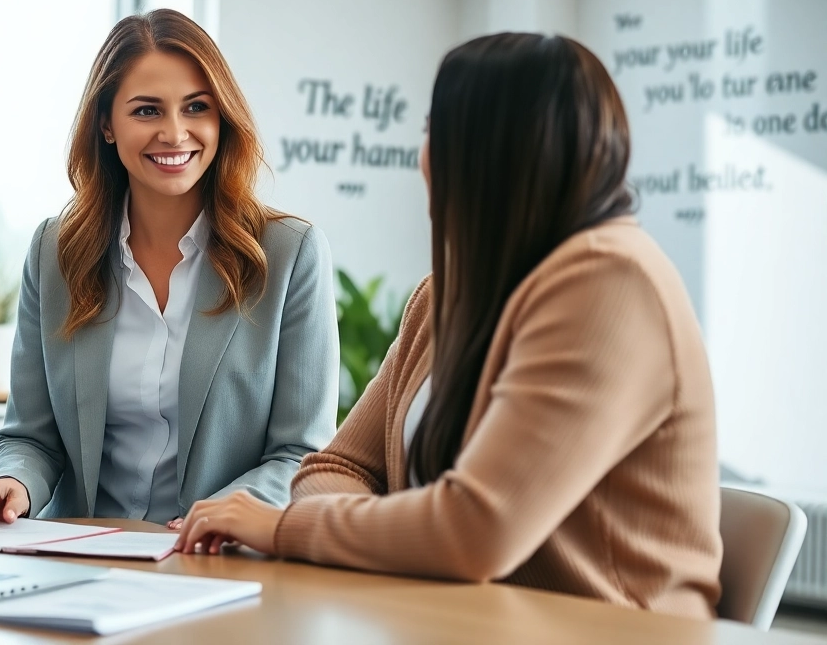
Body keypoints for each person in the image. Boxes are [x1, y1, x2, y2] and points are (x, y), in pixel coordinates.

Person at [175, 33, 722, 619]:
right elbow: (337, 468)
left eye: (434, 130)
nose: (424, 156)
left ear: (489, 149)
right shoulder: (445, 296)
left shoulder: (610, 283)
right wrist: (397, 529)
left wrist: (285, 527)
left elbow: (474, 531)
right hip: (459, 620)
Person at [0, 9, 339, 526]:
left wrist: (215, 517)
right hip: (78, 558)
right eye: (147, 111)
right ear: (106, 124)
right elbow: (30, 438)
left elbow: (300, 454)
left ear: (222, 118)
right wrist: (11, 483)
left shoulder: (290, 254)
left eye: (196, 107)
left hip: (214, 559)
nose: (175, 134)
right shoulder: (54, 251)